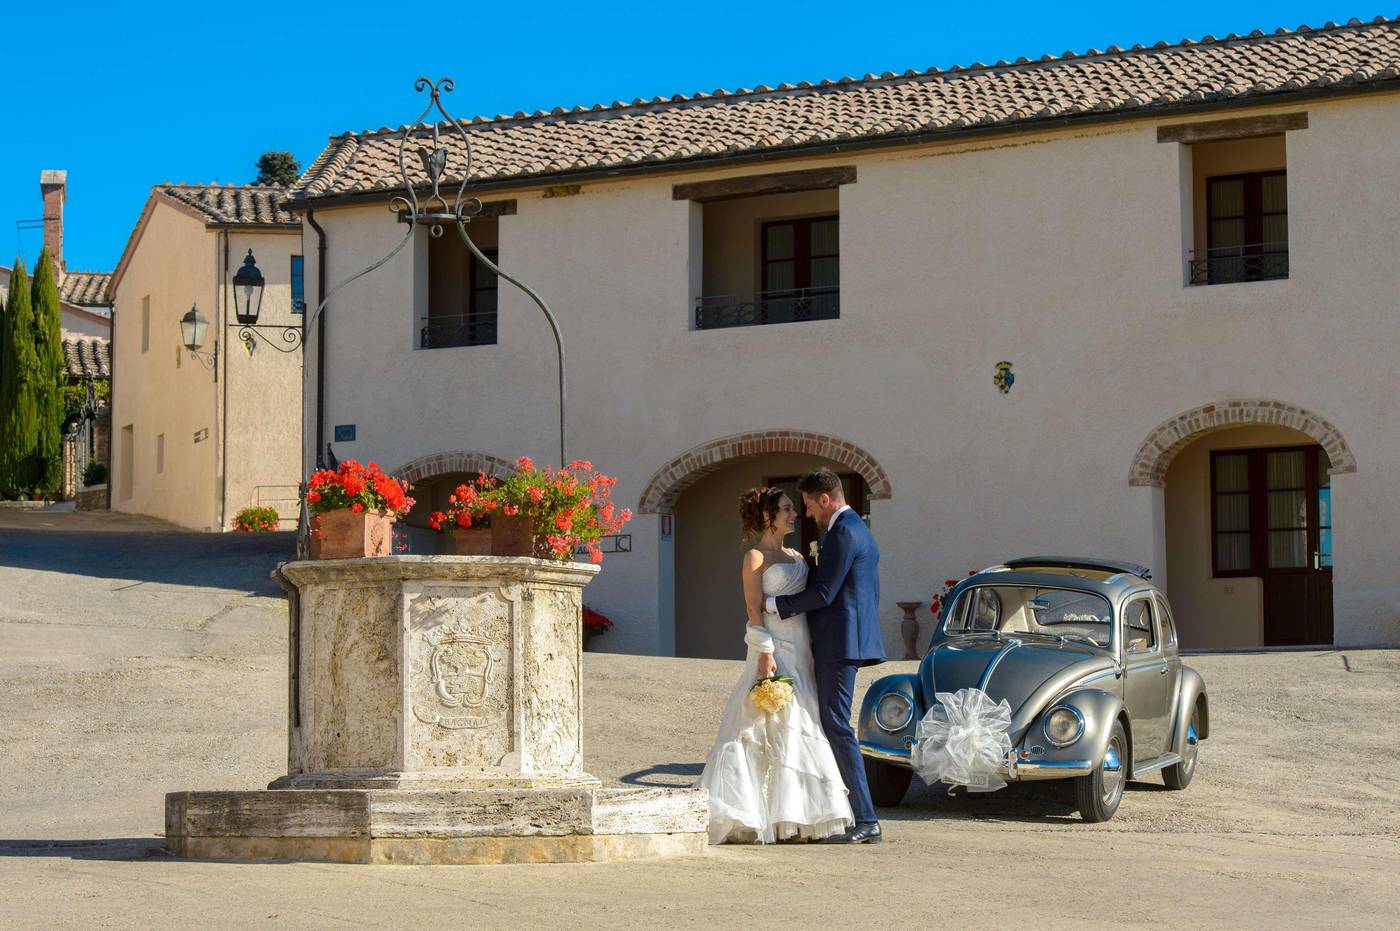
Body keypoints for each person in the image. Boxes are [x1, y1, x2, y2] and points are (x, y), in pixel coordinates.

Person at [696, 486, 855, 844]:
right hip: (773, 646)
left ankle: (800, 818)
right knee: (772, 722)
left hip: (801, 647)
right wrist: (764, 651)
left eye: (794, 509)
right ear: (769, 515)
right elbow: (754, 609)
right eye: (786, 509)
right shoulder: (754, 557)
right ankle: (770, 816)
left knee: (804, 717)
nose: (794, 515)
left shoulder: (798, 554)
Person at [766, 468, 886, 844]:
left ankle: (867, 820)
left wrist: (774, 604)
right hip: (843, 640)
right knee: (832, 722)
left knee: (836, 724)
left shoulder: (843, 532)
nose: (807, 514)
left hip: (840, 642)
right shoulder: (851, 528)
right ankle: (848, 810)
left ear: (824, 499)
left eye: (807, 505)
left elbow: (824, 594)